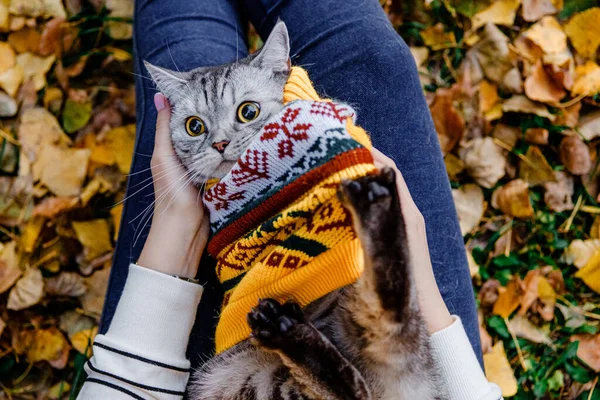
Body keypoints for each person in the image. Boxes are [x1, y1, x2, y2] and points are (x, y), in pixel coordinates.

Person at [78, 0, 501, 398]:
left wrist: (177, 232)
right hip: (409, 352)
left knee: (187, 43)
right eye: (198, 128)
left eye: (245, 115)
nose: (222, 142)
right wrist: (416, 280)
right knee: (372, 57)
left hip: (226, 355)